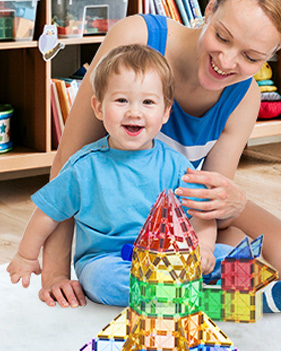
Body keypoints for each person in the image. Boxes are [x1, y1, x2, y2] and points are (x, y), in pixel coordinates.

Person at [35, 0, 281, 312]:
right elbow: (67, 164)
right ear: (210, 10)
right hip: (122, 227)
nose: (227, 60)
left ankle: (211, 286)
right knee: (245, 258)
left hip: (181, 209)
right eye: (222, 37)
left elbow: (205, 198)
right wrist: (55, 273)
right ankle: (208, 292)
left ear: (275, 50)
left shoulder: (244, 96)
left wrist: (235, 206)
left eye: (251, 57)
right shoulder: (137, 39)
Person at [7, 44, 222, 306]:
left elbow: (200, 215)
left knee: (230, 256)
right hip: (107, 259)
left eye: (148, 102)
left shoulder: (175, 165)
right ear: (98, 107)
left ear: (166, 112)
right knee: (102, 281)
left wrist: (205, 249)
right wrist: (27, 256)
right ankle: (188, 295)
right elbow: (48, 214)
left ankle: (228, 289)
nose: (134, 112)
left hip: (168, 257)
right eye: (121, 100)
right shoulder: (84, 166)